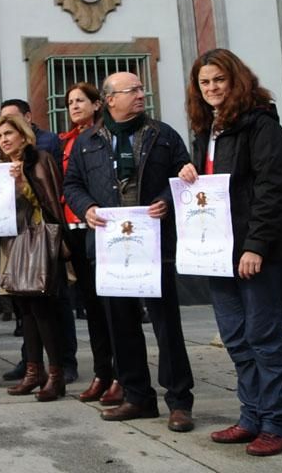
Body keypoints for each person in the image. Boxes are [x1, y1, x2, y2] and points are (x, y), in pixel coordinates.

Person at [178, 49, 282, 456]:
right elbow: (216, 187)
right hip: (218, 249)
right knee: (236, 338)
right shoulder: (207, 128)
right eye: (205, 82)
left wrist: (255, 247)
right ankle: (251, 417)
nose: (212, 88)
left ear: (235, 80)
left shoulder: (259, 122)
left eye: (219, 80)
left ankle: (277, 424)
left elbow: (273, 187)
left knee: (264, 338)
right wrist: (191, 172)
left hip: (257, 250)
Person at [63, 71, 195, 432]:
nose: (140, 94)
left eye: (141, 88)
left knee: (167, 325)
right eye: (131, 90)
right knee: (120, 324)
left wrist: (167, 201)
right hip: (109, 246)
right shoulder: (87, 140)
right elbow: (71, 184)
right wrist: (87, 207)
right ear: (109, 100)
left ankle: (179, 401)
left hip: (155, 243)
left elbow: (185, 176)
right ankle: (137, 396)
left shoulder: (163, 135)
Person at [0, 114, 70, 401]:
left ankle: (56, 375)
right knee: (24, 310)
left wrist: (22, 181)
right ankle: (33, 372)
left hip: (38, 241)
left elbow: (49, 202)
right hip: (14, 242)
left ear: (23, 136)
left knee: (42, 310)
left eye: (9, 134)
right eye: (0, 137)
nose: (4, 140)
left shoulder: (40, 160)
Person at [59, 83, 121, 405]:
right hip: (75, 228)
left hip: (102, 228)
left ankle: (122, 373)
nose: (73, 106)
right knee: (92, 308)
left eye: (80, 100)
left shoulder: (104, 136)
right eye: (69, 102)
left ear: (98, 104)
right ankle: (102, 372)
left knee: (111, 308)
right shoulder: (68, 141)